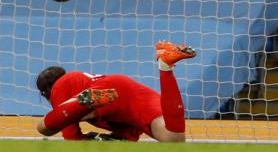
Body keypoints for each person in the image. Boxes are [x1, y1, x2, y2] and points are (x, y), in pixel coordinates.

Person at [35, 41, 196, 142]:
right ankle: (165, 66)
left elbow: (72, 138)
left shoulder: (61, 85)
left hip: (104, 93)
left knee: (43, 127)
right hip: (130, 91)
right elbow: (129, 133)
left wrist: (88, 141)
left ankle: (84, 103)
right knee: (173, 139)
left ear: (45, 93)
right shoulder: (80, 80)